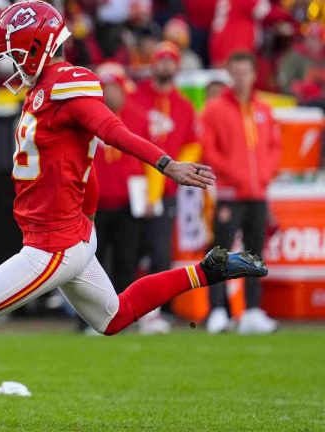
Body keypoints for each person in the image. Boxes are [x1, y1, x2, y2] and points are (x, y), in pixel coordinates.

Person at [0, 3, 267, 428]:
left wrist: (165, 163)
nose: (11, 64)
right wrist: (85, 218)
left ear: (34, 49)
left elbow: (110, 129)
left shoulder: (68, 88)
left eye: (14, 54)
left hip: (52, 245)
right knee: (114, 317)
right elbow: (86, 164)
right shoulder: (44, 88)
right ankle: (209, 272)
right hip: (69, 236)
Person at [201, 51, 281, 335]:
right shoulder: (215, 109)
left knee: (254, 253)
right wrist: (237, 177)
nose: (241, 78)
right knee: (220, 253)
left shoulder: (264, 109)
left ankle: (251, 310)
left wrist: (264, 176)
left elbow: (274, 147)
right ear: (229, 75)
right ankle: (218, 310)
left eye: (245, 72)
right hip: (229, 194)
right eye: (236, 73)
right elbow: (209, 149)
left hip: (257, 194)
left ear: (254, 74)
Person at [129, 41, 202, 334]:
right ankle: (121, 309)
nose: (165, 65)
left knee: (160, 252)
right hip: (133, 185)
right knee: (128, 250)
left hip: (167, 188)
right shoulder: (137, 98)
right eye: (161, 59)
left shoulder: (184, 105)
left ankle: (152, 312)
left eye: (171, 60)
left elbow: (193, 144)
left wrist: (177, 169)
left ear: (177, 66)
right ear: (153, 63)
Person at [90, 63, 146, 330]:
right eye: (105, 87)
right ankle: (92, 317)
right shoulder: (87, 115)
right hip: (95, 204)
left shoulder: (138, 116)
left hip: (127, 201)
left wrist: (151, 196)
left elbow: (149, 157)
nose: (109, 93)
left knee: (127, 259)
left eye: (114, 86)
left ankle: (127, 314)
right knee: (93, 263)